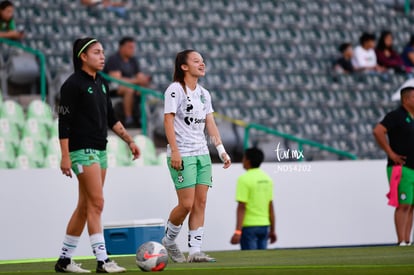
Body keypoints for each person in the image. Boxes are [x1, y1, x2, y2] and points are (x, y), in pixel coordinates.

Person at [55, 37, 140, 273]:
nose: (102, 56)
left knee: (85, 206)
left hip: (100, 150)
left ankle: (64, 261)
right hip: (82, 152)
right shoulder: (71, 85)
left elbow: (111, 118)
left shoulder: (101, 82)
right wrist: (65, 156)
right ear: (83, 56)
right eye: (96, 52)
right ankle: (103, 261)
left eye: (103, 52)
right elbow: (64, 121)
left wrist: (130, 140)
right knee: (97, 203)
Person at [162, 49, 231, 263]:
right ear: (184, 66)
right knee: (187, 204)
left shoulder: (204, 93)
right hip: (182, 155)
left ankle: (195, 252)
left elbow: (210, 124)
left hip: (202, 154)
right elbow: (168, 121)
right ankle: (169, 240)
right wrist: (175, 150)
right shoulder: (175, 90)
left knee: (201, 203)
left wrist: (221, 151)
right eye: (196, 61)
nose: (202, 64)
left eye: (203, 61)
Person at [373, 85, 414, 246]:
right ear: (406, 99)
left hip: (412, 166)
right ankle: (401, 240)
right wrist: (390, 153)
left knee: (411, 205)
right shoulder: (396, 116)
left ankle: (407, 239)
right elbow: (378, 131)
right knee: (403, 203)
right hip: (401, 167)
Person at [230, 147, 277, 250]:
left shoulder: (244, 179)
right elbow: (270, 207)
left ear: (248, 161)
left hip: (249, 226)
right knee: (262, 262)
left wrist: (237, 232)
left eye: (243, 158)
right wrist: (273, 230)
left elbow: (242, 207)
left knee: (250, 260)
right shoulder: (267, 179)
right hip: (264, 226)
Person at [104, 36, 151, 128]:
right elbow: (116, 79)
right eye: (130, 47)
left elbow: (139, 76)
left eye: (133, 47)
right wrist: (137, 81)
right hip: (112, 88)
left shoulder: (133, 60)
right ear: (122, 47)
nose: (132, 50)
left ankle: (141, 116)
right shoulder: (114, 59)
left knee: (142, 88)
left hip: (129, 86)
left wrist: (143, 81)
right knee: (129, 89)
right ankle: (129, 118)